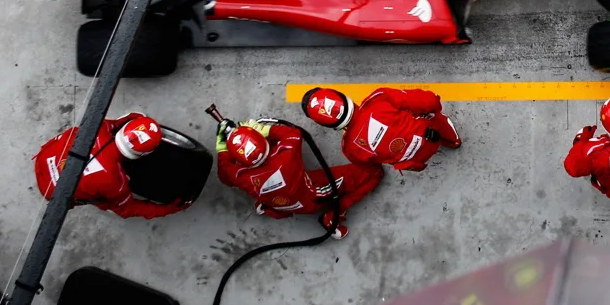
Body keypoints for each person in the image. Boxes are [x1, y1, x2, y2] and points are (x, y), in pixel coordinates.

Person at [216, 116, 383, 239]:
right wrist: (263, 130)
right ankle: (334, 216)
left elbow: (225, 174)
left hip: (281, 204)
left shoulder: (239, 176)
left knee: (274, 196)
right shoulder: (286, 155)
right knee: (373, 173)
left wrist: (222, 148)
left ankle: (267, 208)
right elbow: (293, 133)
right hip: (311, 196)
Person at [33, 113, 188, 219]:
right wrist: (167, 209)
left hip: (43, 159)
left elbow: (116, 122)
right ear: (142, 155)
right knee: (108, 201)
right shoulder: (116, 182)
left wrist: (136, 119)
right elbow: (128, 209)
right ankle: (103, 205)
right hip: (54, 194)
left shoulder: (99, 128)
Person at [302, 86, 462, 172]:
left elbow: (371, 168)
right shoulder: (378, 99)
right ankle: (453, 141)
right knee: (432, 114)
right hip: (429, 139)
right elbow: (426, 101)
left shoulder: (349, 149)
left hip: (414, 163)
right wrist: (435, 104)